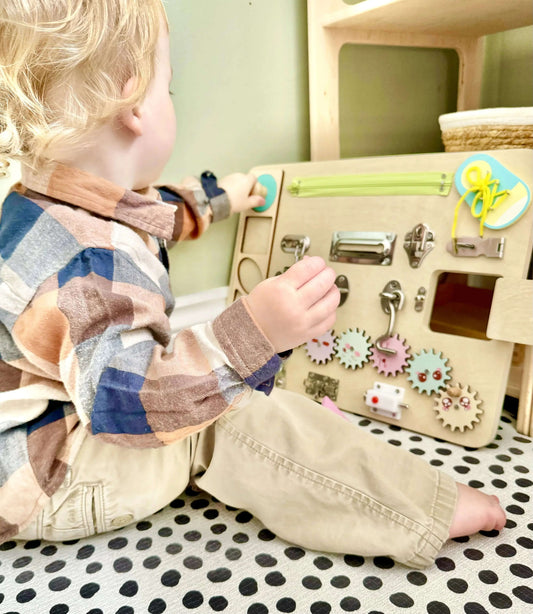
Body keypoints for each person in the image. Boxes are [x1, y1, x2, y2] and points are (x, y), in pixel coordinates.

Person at [0, 0, 505, 568]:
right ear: (133, 97)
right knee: (229, 416)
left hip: (21, 456)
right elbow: (126, 403)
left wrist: (227, 196)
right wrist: (253, 334)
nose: (171, 101)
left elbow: (151, 211)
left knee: (202, 372)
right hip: (57, 481)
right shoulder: (89, 256)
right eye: (170, 90)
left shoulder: (46, 205)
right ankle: (420, 508)